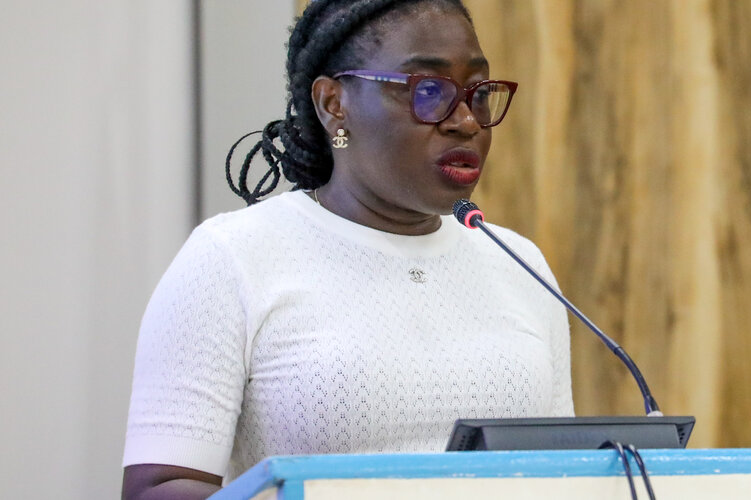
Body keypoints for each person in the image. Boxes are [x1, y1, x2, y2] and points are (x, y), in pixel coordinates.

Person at [121, 0, 573, 497]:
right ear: (333, 103)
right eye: (428, 91)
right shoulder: (233, 257)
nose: (466, 121)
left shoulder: (519, 264)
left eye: (479, 93)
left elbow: (566, 476)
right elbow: (157, 488)